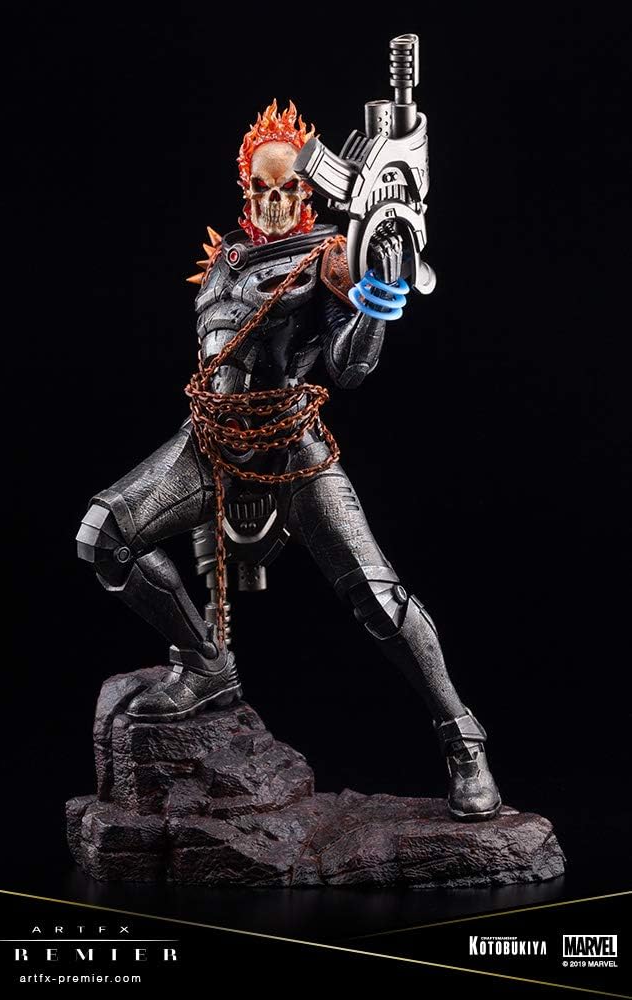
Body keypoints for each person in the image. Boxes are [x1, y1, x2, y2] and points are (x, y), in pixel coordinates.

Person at [76, 101, 501, 821]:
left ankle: (463, 740)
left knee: (378, 598)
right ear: (246, 189)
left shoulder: (329, 256)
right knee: (103, 535)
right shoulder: (225, 259)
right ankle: (205, 664)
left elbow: (347, 366)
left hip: (292, 448)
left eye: (288, 190)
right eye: (261, 189)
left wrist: (374, 303)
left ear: (308, 193)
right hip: (209, 442)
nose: (274, 203)